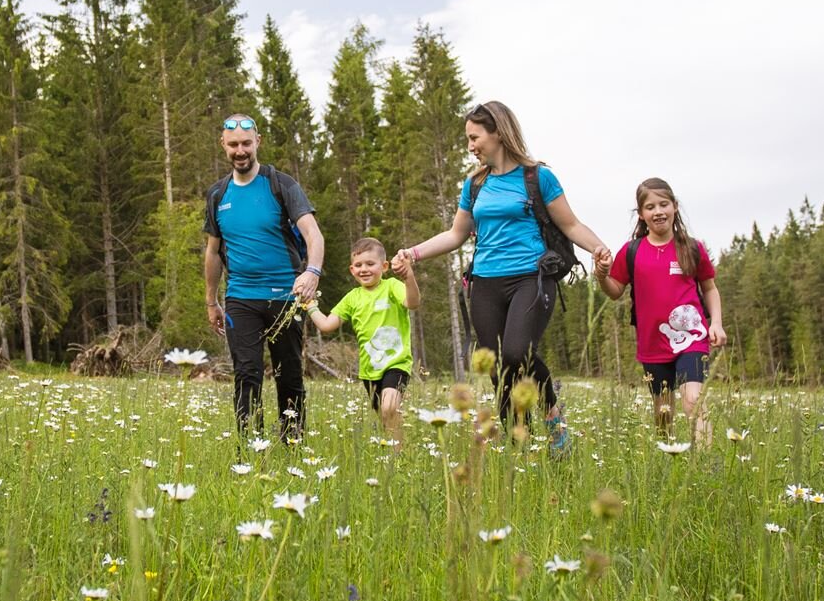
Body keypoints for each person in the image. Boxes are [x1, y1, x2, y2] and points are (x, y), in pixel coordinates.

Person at [393, 101, 610, 454]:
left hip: (531, 278)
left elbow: (569, 224)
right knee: (497, 367)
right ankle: (516, 444)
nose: (470, 146)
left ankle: (553, 415)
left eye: (474, 137)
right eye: (468, 139)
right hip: (485, 283)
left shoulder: (537, 177)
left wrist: (599, 249)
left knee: (515, 352)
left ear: (498, 133)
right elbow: (455, 234)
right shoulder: (475, 184)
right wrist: (413, 252)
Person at [203, 114, 325, 442]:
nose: (240, 151)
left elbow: (313, 234)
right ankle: (251, 451)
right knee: (247, 374)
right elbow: (213, 252)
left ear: (258, 141)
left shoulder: (281, 185)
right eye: (233, 145)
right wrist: (211, 300)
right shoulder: (217, 195)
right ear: (223, 146)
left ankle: (293, 442)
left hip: (285, 297)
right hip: (240, 298)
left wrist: (312, 272)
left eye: (246, 143)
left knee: (289, 375)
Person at [595, 177, 726, 443]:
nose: (658, 212)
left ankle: (707, 465)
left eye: (663, 204)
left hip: (692, 339)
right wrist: (601, 275)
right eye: (650, 207)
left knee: (693, 401)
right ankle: (670, 458)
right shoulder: (632, 252)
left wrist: (717, 323)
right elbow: (615, 290)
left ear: (675, 207)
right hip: (653, 344)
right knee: (663, 414)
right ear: (641, 215)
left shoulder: (691, 248)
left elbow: (710, 288)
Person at [309, 237, 419, 444]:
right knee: (385, 417)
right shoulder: (352, 298)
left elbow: (412, 303)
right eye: (358, 265)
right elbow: (325, 325)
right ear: (352, 270)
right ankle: (398, 452)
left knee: (389, 407)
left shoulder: (391, 287)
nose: (364, 269)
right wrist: (310, 305)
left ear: (384, 266)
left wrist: (409, 277)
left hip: (397, 364)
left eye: (370, 264)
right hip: (369, 371)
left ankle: (399, 456)